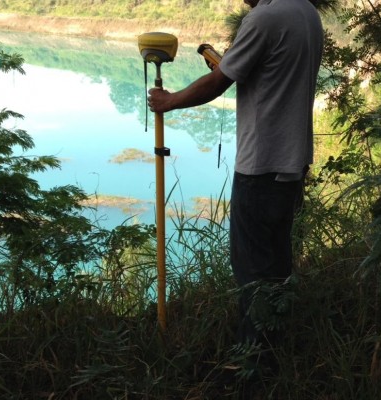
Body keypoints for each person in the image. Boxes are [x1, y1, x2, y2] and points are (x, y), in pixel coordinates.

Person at [148, 0, 323, 346]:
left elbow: (217, 83)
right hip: (292, 164)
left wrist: (169, 101)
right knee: (277, 265)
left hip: (261, 167)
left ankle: (254, 362)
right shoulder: (306, 11)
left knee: (252, 272)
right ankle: (277, 344)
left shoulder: (264, 18)